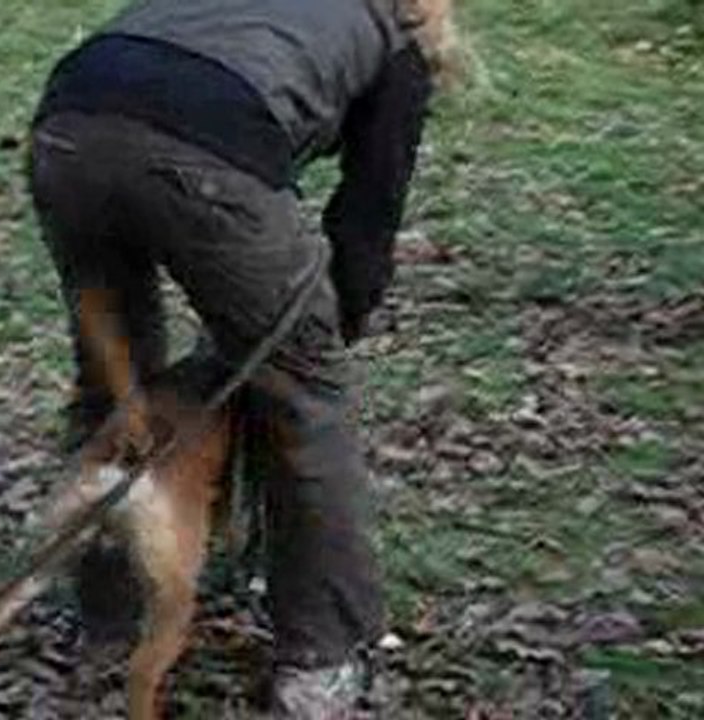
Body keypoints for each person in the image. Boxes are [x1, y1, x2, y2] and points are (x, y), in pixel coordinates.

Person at [28, 1, 458, 715]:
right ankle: (323, 655)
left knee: (117, 375)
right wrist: (326, 333)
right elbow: (365, 226)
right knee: (305, 397)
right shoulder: (398, 38)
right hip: (203, 151)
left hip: (68, 122)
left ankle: (109, 612)